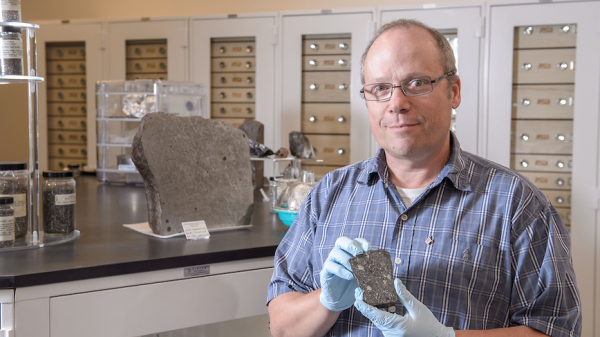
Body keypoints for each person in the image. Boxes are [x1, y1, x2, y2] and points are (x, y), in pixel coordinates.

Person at [266, 18, 581, 337]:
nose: (397, 104)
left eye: (417, 83)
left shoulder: (516, 204)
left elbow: (557, 330)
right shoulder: (327, 196)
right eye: (380, 88)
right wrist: (326, 302)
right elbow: (281, 328)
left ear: (454, 91)